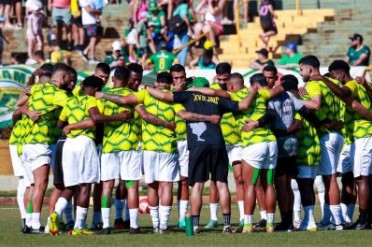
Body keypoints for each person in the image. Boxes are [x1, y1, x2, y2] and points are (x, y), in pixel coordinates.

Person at [20, 63, 71, 234]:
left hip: (29, 142)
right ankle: (34, 225)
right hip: (40, 144)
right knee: (41, 185)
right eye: (69, 80)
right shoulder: (57, 94)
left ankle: (28, 222)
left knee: (33, 185)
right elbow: (75, 104)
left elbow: (21, 103)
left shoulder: (38, 88)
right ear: (62, 78)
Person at [322, 60, 372, 230]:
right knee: (360, 177)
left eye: (334, 76)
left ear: (342, 74)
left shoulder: (351, 84)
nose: (333, 81)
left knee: (361, 177)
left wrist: (322, 79)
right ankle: (365, 218)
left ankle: (365, 219)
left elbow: (354, 104)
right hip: (356, 137)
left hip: (363, 135)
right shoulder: (363, 85)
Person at [297, 55, 345, 230]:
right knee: (328, 180)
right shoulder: (334, 84)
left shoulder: (314, 83)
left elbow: (316, 105)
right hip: (338, 134)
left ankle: (337, 221)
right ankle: (327, 220)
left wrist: (295, 100)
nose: (300, 73)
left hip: (326, 135)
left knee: (330, 179)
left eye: (301, 69)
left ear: (310, 69)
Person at [172, 0, 194, 66]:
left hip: (177, 31)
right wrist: (189, 28)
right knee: (185, 48)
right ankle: (182, 66)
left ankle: (176, 63)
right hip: (183, 29)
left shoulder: (177, 8)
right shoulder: (184, 6)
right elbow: (184, 16)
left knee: (181, 48)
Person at [25, 0, 45, 65]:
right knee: (31, 45)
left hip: (37, 32)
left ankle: (39, 56)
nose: (37, 11)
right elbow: (30, 26)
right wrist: (33, 34)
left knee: (40, 44)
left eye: (38, 10)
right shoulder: (31, 17)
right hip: (31, 33)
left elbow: (39, 25)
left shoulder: (39, 16)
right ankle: (31, 58)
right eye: (36, 10)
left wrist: (38, 33)